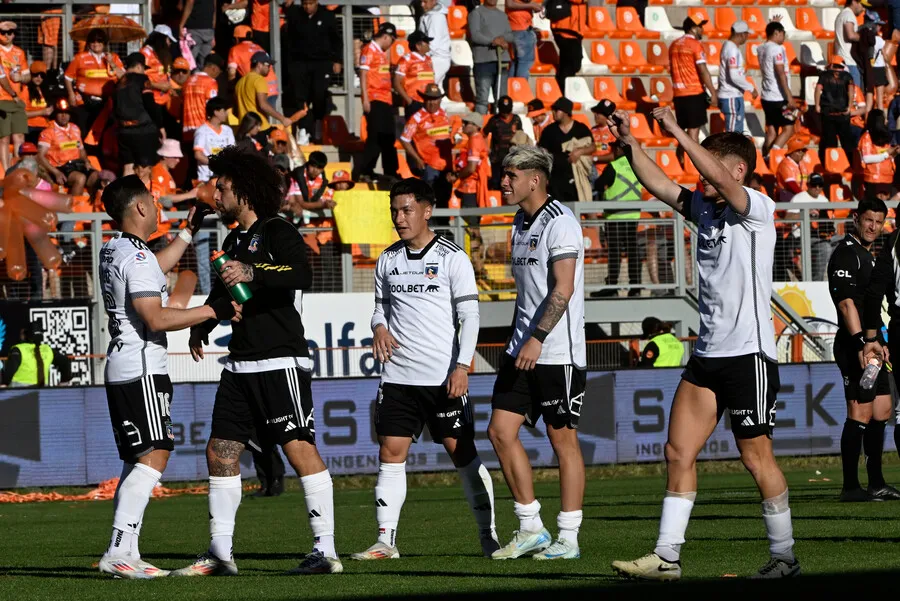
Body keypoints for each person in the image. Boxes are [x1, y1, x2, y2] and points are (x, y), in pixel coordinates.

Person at [609, 106, 798, 580]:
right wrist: (632, 144)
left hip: (749, 355)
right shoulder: (708, 210)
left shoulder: (755, 206)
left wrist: (676, 130)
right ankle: (666, 557)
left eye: (710, 164)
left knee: (756, 458)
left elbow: (711, 175)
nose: (698, 172)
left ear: (736, 169)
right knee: (677, 452)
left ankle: (785, 558)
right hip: (708, 355)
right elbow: (661, 186)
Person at [172, 147, 342, 577]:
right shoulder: (231, 241)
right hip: (240, 362)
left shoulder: (277, 229)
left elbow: (302, 273)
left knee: (298, 447)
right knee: (221, 450)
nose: (217, 194)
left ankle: (326, 551)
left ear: (244, 191)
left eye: (223, 187)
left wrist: (254, 273)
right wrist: (203, 325)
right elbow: (225, 292)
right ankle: (220, 554)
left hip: (279, 358)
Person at [97, 175, 239, 579]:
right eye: (154, 201)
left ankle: (128, 550)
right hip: (142, 367)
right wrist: (215, 312)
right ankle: (118, 550)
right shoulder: (136, 257)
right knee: (155, 455)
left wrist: (189, 230)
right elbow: (155, 316)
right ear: (140, 207)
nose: (158, 207)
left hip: (125, 364)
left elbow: (155, 267)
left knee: (138, 460)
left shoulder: (116, 249)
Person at [350, 177, 497, 561]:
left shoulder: (452, 258)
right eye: (394, 211)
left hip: (442, 378)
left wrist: (462, 366)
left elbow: (470, 316)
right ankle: (386, 541)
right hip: (398, 377)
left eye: (406, 210)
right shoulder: (387, 259)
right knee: (390, 452)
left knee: (462, 454)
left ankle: (489, 536)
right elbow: (380, 308)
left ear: (426, 211)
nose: (399, 218)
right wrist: (379, 327)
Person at [487, 145, 586, 561]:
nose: (503, 181)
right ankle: (531, 528)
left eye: (510, 174)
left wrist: (538, 337)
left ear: (535, 179)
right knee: (499, 431)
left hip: (555, 351)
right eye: (503, 173)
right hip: (522, 349)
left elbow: (562, 289)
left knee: (562, 441)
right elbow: (526, 295)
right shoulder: (519, 220)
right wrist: (520, 337)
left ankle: (569, 538)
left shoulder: (561, 222)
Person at [827, 199, 900, 502]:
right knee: (859, 412)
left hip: (873, 343)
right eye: (868, 220)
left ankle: (877, 483)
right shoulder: (846, 254)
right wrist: (860, 342)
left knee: (882, 409)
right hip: (853, 344)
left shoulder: (869, 255)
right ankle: (849, 486)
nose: (873, 227)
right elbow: (846, 304)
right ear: (856, 219)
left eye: (879, 221)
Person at [284, 0, 342, 143]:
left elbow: (336, 41)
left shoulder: (327, 16)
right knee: (300, 96)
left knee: (319, 93)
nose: (307, 7)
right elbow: (289, 38)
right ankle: (303, 129)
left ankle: (317, 123)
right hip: (300, 63)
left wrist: (338, 60)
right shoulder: (296, 15)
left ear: (316, 3)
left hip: (322, 63)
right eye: (305, 4)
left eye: (310, 3)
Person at [595, 141, 641, 296]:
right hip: (633, 216)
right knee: (632, 252)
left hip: (614, 216)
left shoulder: (614, 166)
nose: (612, 150)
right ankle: (635, 287)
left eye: (614, 148)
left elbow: (599, 185)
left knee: (614, 253)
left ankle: (611, 287)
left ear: (620, 149)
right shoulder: (637, 166)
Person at [356, 23, 399, 183]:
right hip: (374, 98)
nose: (392, 44)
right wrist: (365, 98)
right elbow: (363, 74)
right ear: (386, 36)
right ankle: (366, 170)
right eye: (392, 41)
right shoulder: (369, 49)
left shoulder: (381, 53)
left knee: (388, 136)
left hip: (385, 99)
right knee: (375, 135)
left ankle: (390, 170)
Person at [399, 83, 454, 205]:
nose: (432, 103)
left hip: (447, 166)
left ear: (440, 100)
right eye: (429, 99)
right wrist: (417, 159)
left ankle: (444, 224)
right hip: (430, 167)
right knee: (430, 200)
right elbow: (404, 139)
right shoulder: (417, 118)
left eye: (435, 99)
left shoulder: (444, 114)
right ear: (424, 99)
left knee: (445, 198)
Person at [64, 29, 125, 137]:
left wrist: (111, 63)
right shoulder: (80, 58)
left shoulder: (114, 57)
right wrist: (71, 94)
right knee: (84, 131)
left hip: (106, 103)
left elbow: (123, 77)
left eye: (99, 41)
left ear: (104, 43)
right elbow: (67, 77)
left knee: (104, 132)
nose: (96, 44)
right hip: (84, 102)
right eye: (93, 41)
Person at [114, 52, 165, 176]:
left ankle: (127, 195)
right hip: (143, 130)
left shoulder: (119, 83)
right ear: (138, 67)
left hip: (124, 131)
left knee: (128, 166)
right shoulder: (142, 80)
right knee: (146, 167)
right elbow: (149, 104)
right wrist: (161, 127)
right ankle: (149, 194)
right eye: (143, 69)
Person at [37, 98, 98, 197]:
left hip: (77, 165)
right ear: (55, 114)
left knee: (96, 176)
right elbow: (40, 156)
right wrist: (55, 172)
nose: (64, 116)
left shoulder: (75, 128)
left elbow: (81, 149)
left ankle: (90, 206)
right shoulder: (48, 132)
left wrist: (86, 161)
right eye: (60, 113)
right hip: (59, 167)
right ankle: (72, 208)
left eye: (66, 113)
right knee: (80, 178)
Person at [669, 15, 717, 143]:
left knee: (682, 134)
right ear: (693, 29)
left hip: (679, 94)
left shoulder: (673, 45)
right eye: (700, 26)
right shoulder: (695, 45)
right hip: (694, 93)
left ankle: (681, 160)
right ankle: (691, 162)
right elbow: (702, 70)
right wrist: (713, 92)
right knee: (693, 134)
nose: (702, 29)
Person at [538, 97, 593, 203]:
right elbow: (542, 153)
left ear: (566, 111)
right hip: (555, 179)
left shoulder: (580, 128)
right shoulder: (549, 131)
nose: (553, 113)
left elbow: (593, 146)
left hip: (576, 178)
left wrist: (580, 152)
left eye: (556, 110)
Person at [468, 0, 514, 115]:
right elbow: (475, 35)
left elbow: (510, 35)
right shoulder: (476, 13)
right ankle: (481, 125)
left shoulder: (502, 15)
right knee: (482, 99)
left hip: (502, 60)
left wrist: (502, 39)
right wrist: (493, 41)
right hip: (484, 61)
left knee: (502, 99)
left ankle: (500, 127)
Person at [759, 21, 796, 158]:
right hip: (779, 98)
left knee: (772, 131)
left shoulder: (761, 48)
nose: (784, 37)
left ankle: (764, 159)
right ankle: (771, 156)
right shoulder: (777, 49)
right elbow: (781, 73)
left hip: (766, 97)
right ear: (777, 33)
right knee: (789, 129)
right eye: (783, 33)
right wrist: (789, 97)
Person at [235, 51, 293, 134]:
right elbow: (263, 104)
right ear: (259, 64)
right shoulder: (259, 80)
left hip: (244, 129)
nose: (269, 68)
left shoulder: (239, 82)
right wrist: (282, 119)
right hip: (259, 128)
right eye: (268, 65)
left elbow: (235, 110)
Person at [1, 321, 72, 387]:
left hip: (18, 393)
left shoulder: (19, 349)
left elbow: (11, 369)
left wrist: (4, 384)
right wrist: (64, 382)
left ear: (26, 335)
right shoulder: (48, 350)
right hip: (41, 394)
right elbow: (65, 362)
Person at [0, 20, 30, 172]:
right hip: (2, 99)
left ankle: (17, 170)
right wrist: (12, 92)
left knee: (19, 137)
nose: (6, 35)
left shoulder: (19, 52)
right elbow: (1, 78)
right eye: (3, 32)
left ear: (14, 35)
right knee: (3, 138)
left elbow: (27, 75)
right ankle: (6, 171)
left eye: (10, 33)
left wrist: (21, 78)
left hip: (17, 99)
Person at [718, 21, 757, 134]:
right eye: (746, 34)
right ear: (741, 34)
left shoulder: (729, 46)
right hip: (731, 96)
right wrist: (751, 88)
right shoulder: (732, 49)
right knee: (733, 135)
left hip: (732, 95)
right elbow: (734, 75)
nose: (747, 37)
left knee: (736, 133)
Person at [816, 55, 856, 166]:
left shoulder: (824, 75)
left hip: (828, 112)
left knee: (829, 141)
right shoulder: (847, 76)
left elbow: (818, 89)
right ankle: (851, 164)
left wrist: (817, 105)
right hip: (843, 113)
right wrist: (849, 106)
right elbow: (851, 91)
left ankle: (829, 164)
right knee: (847, 141)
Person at [228, 25, 279, 105]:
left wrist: (232, 89)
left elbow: (231, 72)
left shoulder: (235, 50)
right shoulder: (259, 47)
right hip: (272, 88)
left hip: (257, 89)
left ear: (236, 39)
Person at [858, 109, 898, 200]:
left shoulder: (885, 137)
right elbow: (866, 158)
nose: (886, 121)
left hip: (887, 177)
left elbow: (887, 156)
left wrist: (894, 152)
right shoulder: (866, 137)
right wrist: (887, 153)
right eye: (884, 119)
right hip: (873, 177)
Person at [393, 31, 435, 118]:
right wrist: (409, 101)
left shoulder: (428, 59)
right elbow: (396, 83)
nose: (429, 44)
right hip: (415, 102)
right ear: (418, 46)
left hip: (428, 102)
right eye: (426, 42)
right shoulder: (406, 60)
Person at [194, 97, 235, 184]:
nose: (226, 114)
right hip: (206, 179)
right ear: (216, 112)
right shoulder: (202, 130)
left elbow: (233, 152)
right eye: (224, 111)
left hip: (224, 177)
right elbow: (198, 155)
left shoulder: (228, 130)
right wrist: (216, 164)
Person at [182, 54, 224, 138]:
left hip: (186, 129)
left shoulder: (188, 81)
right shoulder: (210, 82)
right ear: (214, 69)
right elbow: (212, 107)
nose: (218, 75)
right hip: (202, 129)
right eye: (219, 72)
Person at [484, 96, 522, 189]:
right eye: (503, 111)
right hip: (497, 158)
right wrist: (486, 148)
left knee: (511, 181)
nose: (505, 114)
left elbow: (521, 135)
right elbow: (484, 134)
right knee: (496, 182)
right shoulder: (494, 120)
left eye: (507, 111)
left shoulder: (516, 119)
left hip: (512, 157)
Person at [548, 0, 586, 91]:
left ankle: (563, 92)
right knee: (570, 64)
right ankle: (564, 92)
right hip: (565, 27)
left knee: (570, 64)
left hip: (573, 29)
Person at [420, 0, 451, 90]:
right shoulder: (430, 16)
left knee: (428, 88)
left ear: (433, 1)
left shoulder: (435, 17)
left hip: (436, 59)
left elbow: (433, 42)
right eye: (421, 2)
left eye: (425, 2)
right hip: (438, 58)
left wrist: (425, 57)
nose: (422, 5)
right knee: (436, 88)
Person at [141, 26, 176, 107]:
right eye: (169, 40)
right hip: (152, 102)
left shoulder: (160, 54)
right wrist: (159, 86)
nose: (169, 43)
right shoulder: (145, 54)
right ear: (162, 39)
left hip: (164, 101)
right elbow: (139, 79)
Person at [834, 0, 865, 89]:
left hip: (842, 60)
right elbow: (851, 35)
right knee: (855, 94)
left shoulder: (842, 14)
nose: (863, 9)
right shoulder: (848, 15)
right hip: (849, 61)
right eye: (861, 5)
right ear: (854, 2)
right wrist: (864, 38)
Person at [506, 0, 540, 78]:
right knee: (524, 63)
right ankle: (521, 88)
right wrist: (531, 5)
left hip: (516, 27)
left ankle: (512, 89)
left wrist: (532, 5)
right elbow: (509, 4)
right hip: (522, 28)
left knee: (516, 63)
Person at [179, 0, 217, 67]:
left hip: (195, 28)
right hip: (208, 29)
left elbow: (190, 2)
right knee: (204, 63)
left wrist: (181, 24)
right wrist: (213, 30)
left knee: (190, 62)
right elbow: (214, 8)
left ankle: (192, 77)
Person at [22, 61, 52, 144]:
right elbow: (22, 114)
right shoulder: (25, 89)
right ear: (30, 75)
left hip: (45, 126)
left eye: (42, 76)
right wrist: (42, 112)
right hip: (30, 127)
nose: (39, 77)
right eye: (36, 74)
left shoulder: (45, 90)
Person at [775, 136, 809, 202]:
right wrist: (804, 196)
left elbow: (806, 180)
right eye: (798, 151)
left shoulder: (802, 164)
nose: (802, 153)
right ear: (791, 152)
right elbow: (791, 184)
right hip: (787, 195)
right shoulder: (785, 164)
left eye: (803, 150)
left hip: (800, 195)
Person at [590, 99, 616, 168]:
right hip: (591, 169)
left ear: (607, 116)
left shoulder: (614, 131)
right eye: (596, 112)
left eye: (599, 113)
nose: (596, 115)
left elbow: (614, 155)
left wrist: (595, 158)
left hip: (607, 171)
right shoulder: (592, 130)